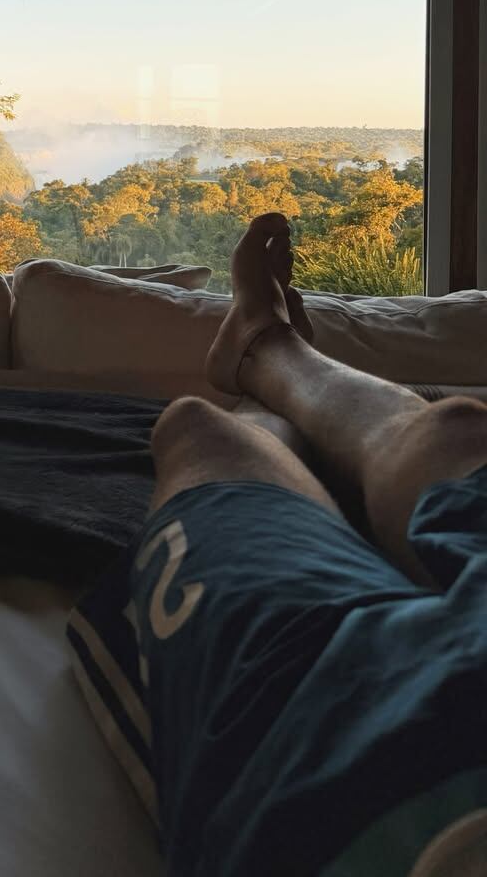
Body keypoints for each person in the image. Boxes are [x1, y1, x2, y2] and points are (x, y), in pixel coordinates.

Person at [70, 213, 486, 877]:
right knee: (462, 433)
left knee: (197, 429)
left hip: (374, 785)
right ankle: (270, 350)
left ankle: (263, 381)